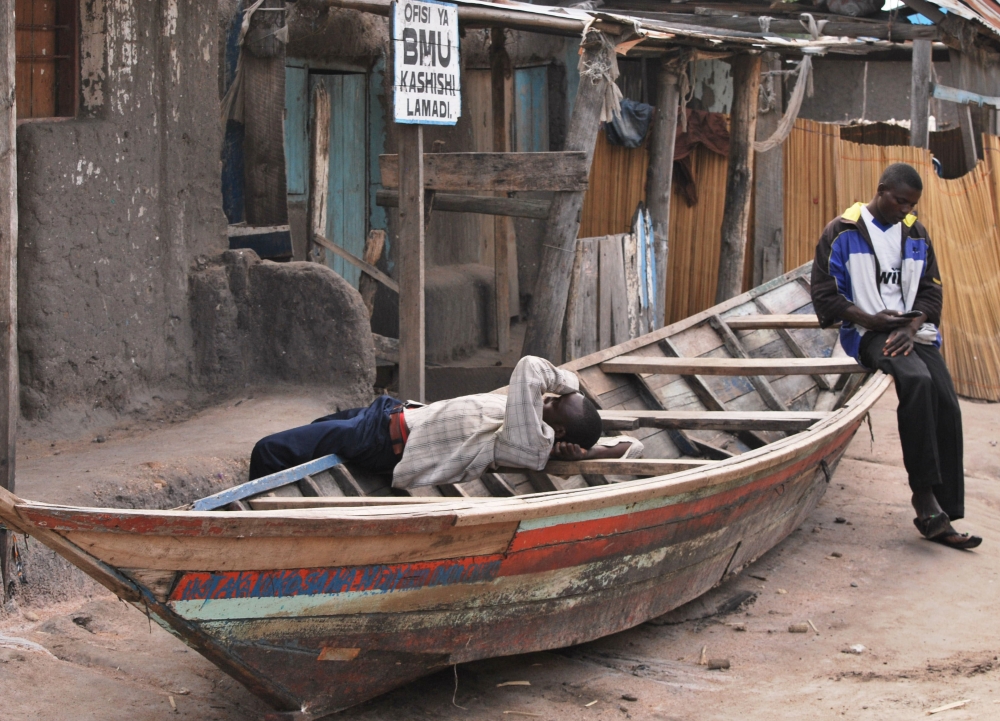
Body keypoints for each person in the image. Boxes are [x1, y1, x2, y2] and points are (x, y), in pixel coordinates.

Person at [811, 162, 981, 550]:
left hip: (912, 332)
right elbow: (825, 296)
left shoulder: (916, 233)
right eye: (900, 201)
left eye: (912, 205)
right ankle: (923, 498)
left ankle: (948, 510)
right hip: (866, 332)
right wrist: (870, 319)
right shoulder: (842, 231)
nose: (906, 210)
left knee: (947, 402)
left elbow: (932, 291)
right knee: (916, 381)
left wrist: (911, 324)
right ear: (881, 189)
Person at [249, 355, 642, 489]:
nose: (547, 398)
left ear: (555, 430)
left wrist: (570, 383)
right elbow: (624, 444)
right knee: (305, 444)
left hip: (383, 438)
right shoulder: (533, 432)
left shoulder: (530, 443)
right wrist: (580, 450)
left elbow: (530, 368)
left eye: (555, 404)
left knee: (269, 450)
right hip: (389, 413)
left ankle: (247, 532)